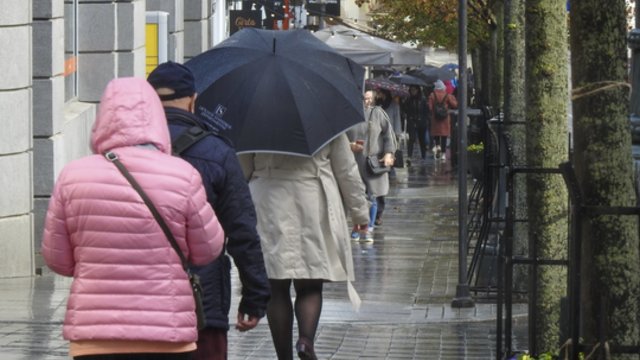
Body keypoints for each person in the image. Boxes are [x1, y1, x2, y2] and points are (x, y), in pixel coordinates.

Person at [40, 77, 226, 360]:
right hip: (167, 334)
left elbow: (58, 261)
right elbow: (208, 250)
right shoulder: (182, 175)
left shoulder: (73, 176)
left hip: (95, 337)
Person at [147, 61, 271, 360]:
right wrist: (254, 298)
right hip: (202, 300)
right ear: (193, 99)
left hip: (136, 308)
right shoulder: (217, 152)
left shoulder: (121, 152)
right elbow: (242, 229)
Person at [238, 135, 370, 360]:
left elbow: (243, 169)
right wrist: (359, 211)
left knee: (276, 286)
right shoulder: (323, 115)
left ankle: (284, 356)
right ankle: (305, 340)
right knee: (310, 284)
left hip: (268, 200)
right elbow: (346, 170)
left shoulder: (257, 117)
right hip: (312, 200)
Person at [347, 90, 397, 241]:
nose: (366, 101)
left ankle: (368, 228)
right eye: (364, 98)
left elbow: (389, 135)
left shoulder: (378, 114)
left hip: (373, 162)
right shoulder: (349, 114)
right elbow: (340, 138)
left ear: (374, 99)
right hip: (353, 161)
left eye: (369, 98)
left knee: (372, 195)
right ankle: (357, 226)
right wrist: (350, 145)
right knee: (357, 196)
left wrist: (389, 153)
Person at [428, 79, 458, 161]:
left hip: (435, 119)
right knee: (444, 137)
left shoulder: (432, 95)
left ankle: (438, 151)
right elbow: (455, 105)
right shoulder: (447, 95)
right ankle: (444, 154)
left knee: (437, 137)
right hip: (445, 118)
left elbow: (430, 107)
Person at [402, 85, 429, 160]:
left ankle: (423, 155)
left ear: (418, 90)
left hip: (421, 122)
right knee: (411, 139)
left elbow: (426, 111)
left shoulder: (423, 99)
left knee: (422, 139)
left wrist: (425, 120)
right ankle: (409, 156)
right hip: (412, 121)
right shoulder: (409, 99)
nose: (413, 91)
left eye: (414, 90)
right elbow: (405, 109)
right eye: (411, 90)